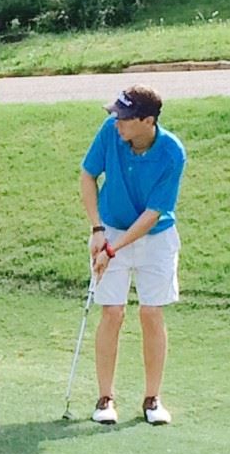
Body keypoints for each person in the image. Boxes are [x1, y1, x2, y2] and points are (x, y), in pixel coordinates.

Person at [80, 85, 186, 425]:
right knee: (112, 312)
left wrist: (113, 248)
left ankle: (152, 399)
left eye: (125, 117)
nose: (117, 122)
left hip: (155, 238)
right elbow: (87, 175)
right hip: (110, 227)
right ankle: (105, 397)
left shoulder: (172, 153)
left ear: (147, 121)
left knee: (151, 313)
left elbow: (152, 214)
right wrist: (97, 230)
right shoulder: (110, 133)